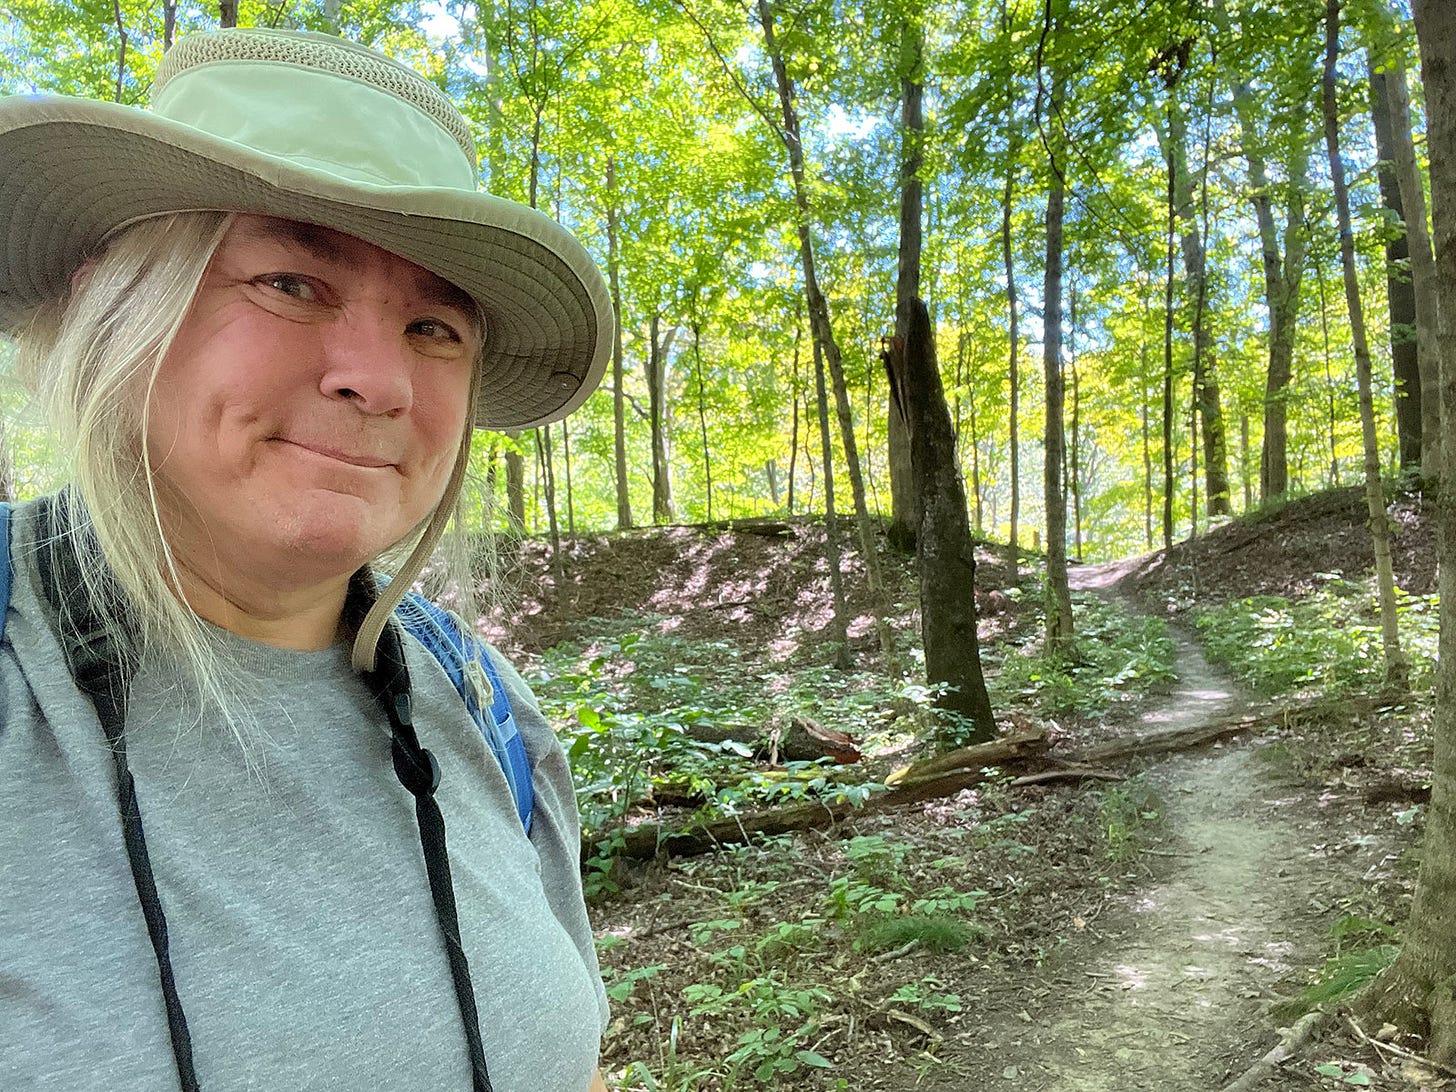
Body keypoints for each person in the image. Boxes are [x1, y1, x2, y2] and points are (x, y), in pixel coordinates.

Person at [0, 26, 614, 1092]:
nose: (377, 380)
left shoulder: (483, 704)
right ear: (115, 305)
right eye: (291, 283)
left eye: (433, 327)